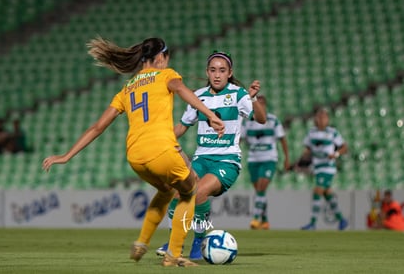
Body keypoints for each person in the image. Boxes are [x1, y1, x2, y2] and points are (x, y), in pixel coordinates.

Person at [42, 37, 225, 267]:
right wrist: (210, 115)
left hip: (136, 157)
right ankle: (174, 255)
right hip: (162, 149)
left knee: (167, 191)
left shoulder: (127, 88)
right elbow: (182, 89)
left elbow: (97, 127)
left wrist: (66, 156)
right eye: (166, 57)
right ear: (160, 57)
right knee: (190, 190)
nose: (167, 62)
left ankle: (142, 242)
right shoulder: (166, 75)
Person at [156, 50, 267, 260]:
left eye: (222, 70)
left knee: (197, 193)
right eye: (213, 70)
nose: (217, 75)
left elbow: (261, 119)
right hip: (201, 160)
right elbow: (182, 126)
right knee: (177, 194)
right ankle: (174, 243)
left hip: (226, 161)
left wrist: (253, 99)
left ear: (229, 72)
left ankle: (198, 242)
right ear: (207, 72)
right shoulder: (198, 96)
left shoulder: (238, 94)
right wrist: (160, 138)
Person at [241, 96, 290, 230]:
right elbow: (239, 139)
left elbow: (283, 140)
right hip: (253, 159)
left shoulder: (273, 120)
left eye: (262, 104)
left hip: (269, 158)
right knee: (259, 191)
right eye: (257, 104)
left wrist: (286, 158)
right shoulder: (247, 122)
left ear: (265, 106)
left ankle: (256, 218)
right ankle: (265, 220)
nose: (259, 106)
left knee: (262, 187)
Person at [300, 108, 349, 231]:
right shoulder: (311, 133)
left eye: (323, 117)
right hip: (317, 166)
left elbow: (344, 147)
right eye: (319, 117)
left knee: (317, 191)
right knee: (327, 194)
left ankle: (312, 223)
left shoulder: (332, 132)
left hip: (328, 167)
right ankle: (341, 219)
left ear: (327, 119)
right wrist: (305, 154)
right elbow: (307, 148)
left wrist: (336, 154)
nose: (321, 119)